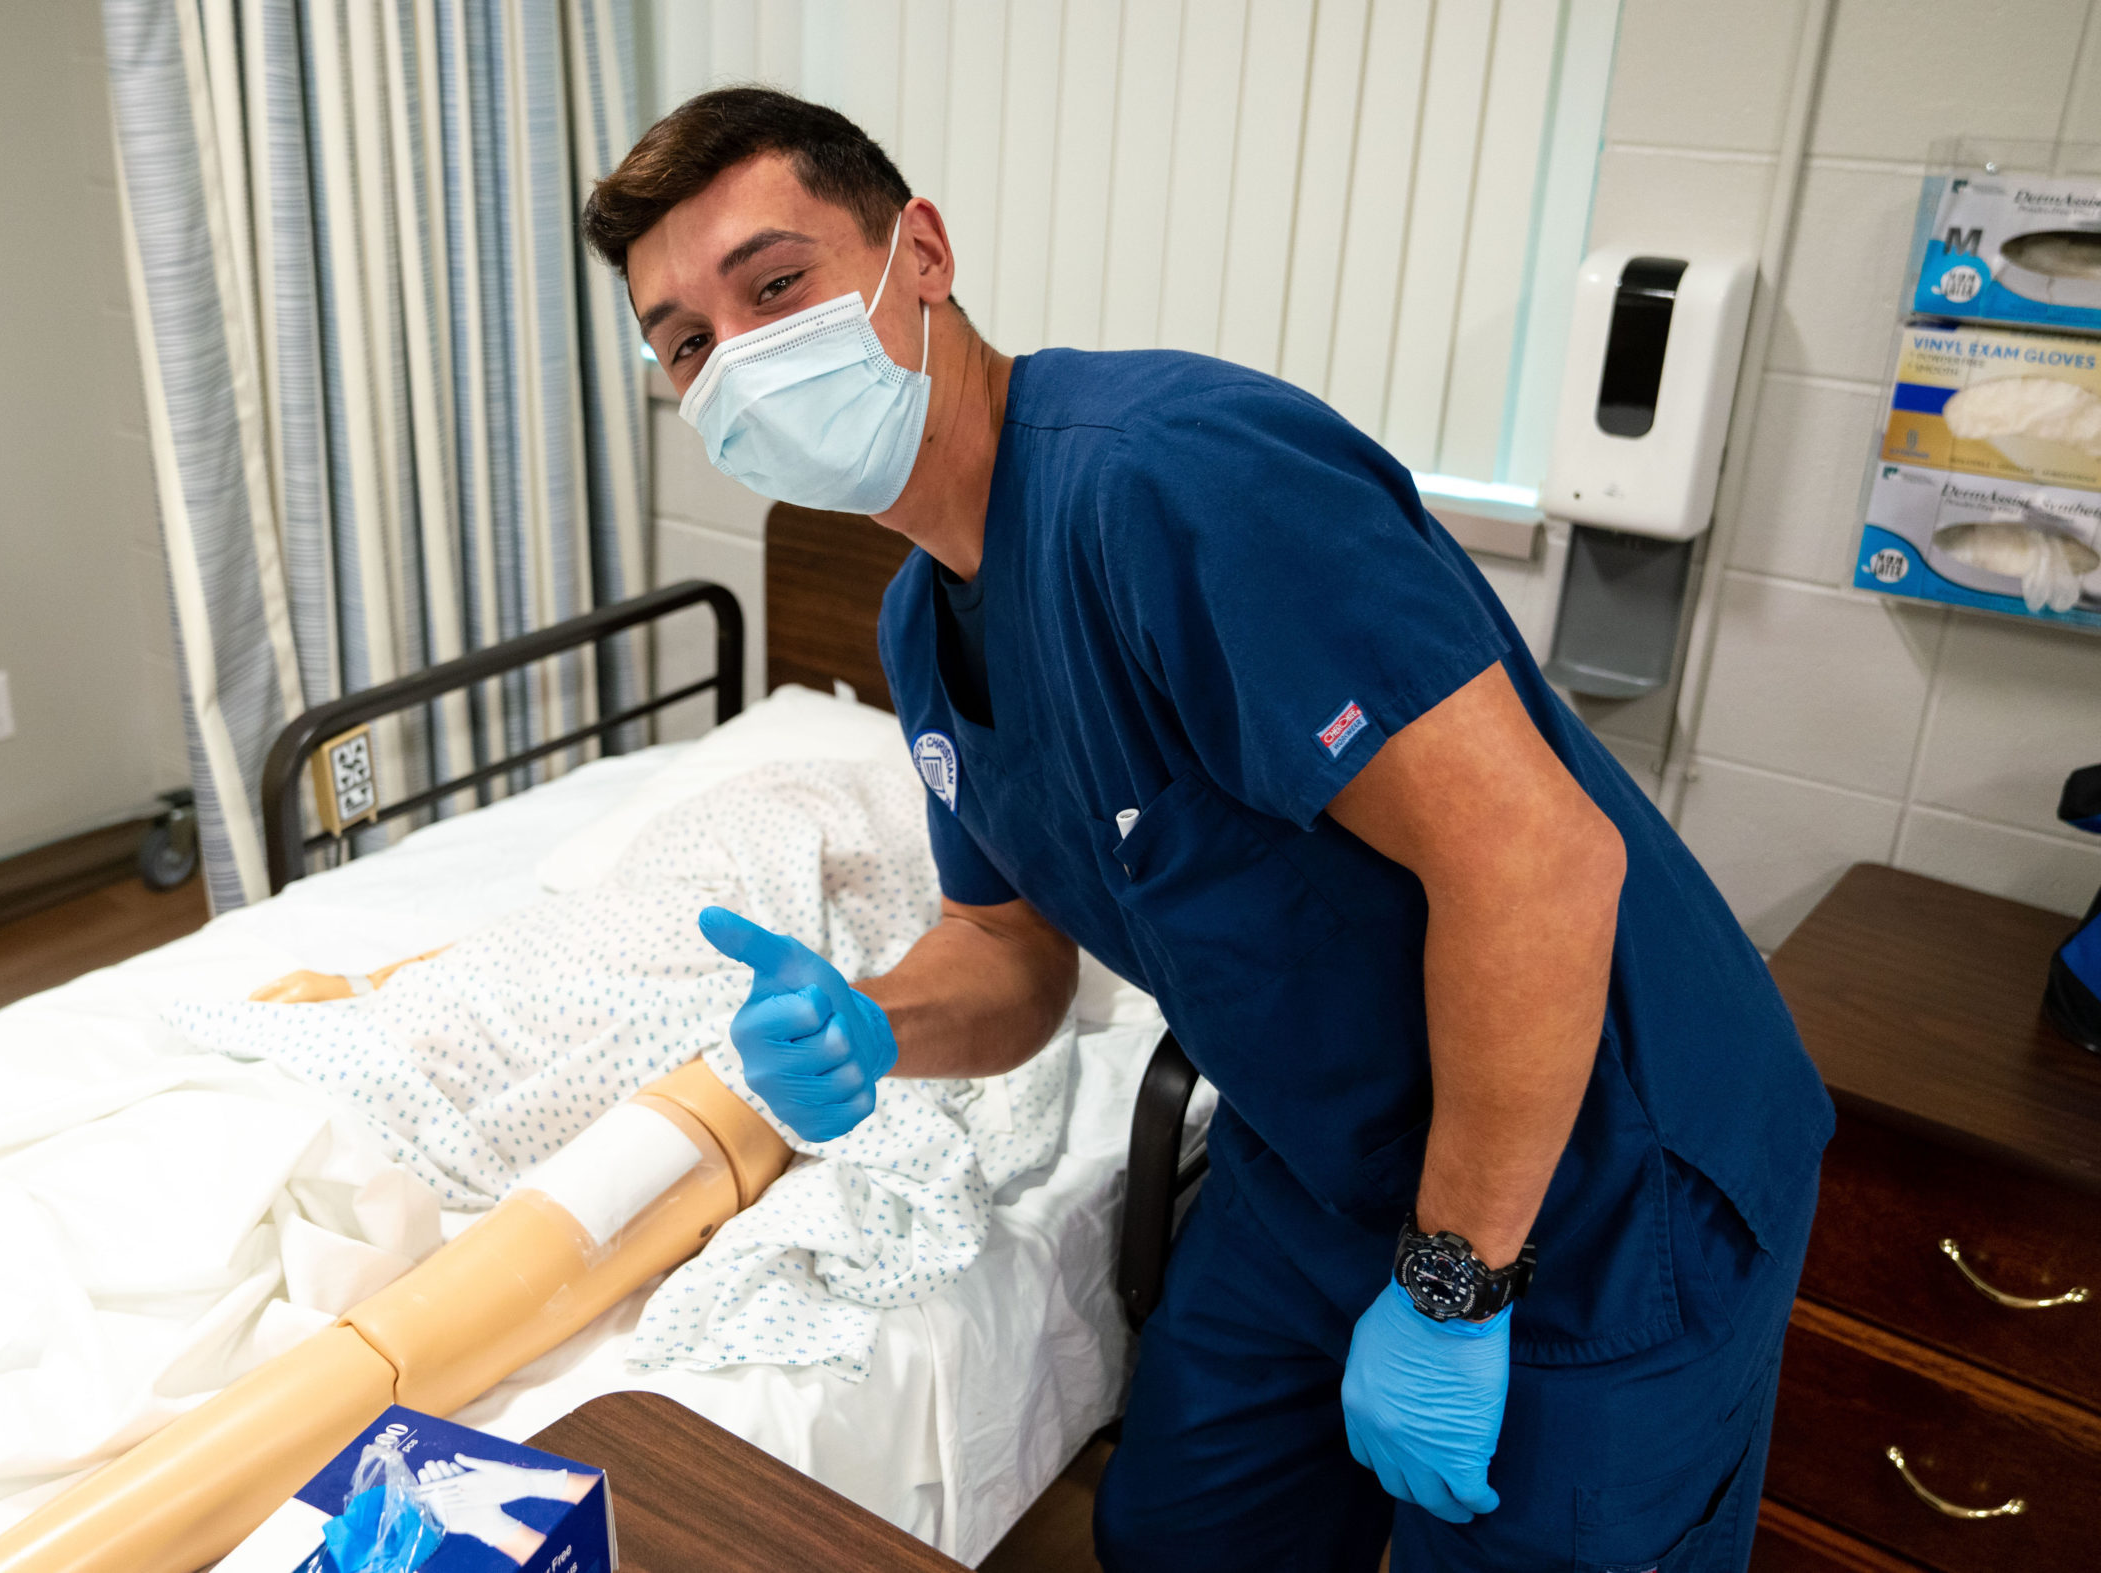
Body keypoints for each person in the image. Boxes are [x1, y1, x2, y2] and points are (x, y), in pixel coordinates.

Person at [580, 87, 1832, 1572]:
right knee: (1180, 1532)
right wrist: (875, 1018)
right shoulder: (925, 623)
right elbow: (1009, 946)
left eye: (776, 284)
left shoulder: (1176, 482)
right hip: (1316, 1161)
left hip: (1606, 1177)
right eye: (688, 342)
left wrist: (1448, 1293)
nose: (740, 359)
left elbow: (1540, 861)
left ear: (921, 252)